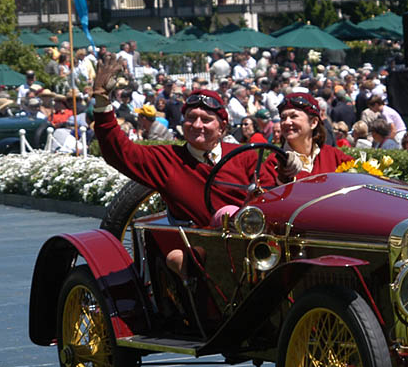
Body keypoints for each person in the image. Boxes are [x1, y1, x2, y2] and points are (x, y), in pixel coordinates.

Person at [91, 56, 272, 234]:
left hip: (248, 241)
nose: (197, 125)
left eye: (206, 120)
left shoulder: (244, 156)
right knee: (175, 259)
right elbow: (119, 151)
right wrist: (101, 101)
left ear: (222, 128)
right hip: (196, 249)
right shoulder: (167, 159)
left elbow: (270, 193)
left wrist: (288, 169)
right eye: (191, 118)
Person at [273, 91, 353, 180]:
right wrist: (282, 177)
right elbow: (264, 192)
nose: (286, 122)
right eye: (283, 118)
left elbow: (360, 174)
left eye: (294, 116)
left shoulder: (334, 155)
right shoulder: (273, 162)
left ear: (313, 122)